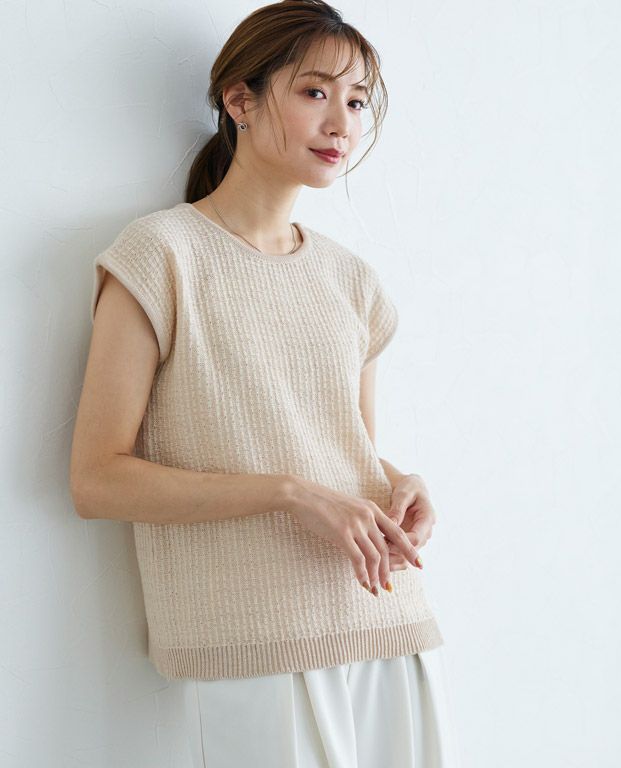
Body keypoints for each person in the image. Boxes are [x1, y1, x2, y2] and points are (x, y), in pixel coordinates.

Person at [70, 1, 458, 766]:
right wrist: (288, 494)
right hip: (252, 638)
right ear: (239, 101)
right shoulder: (162, 255)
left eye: (357, 102)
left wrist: (399, 483)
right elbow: (97, 481)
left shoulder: (352, 281)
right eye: (315, 92)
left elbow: (343, 450)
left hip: (389, 621)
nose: (341, 123)